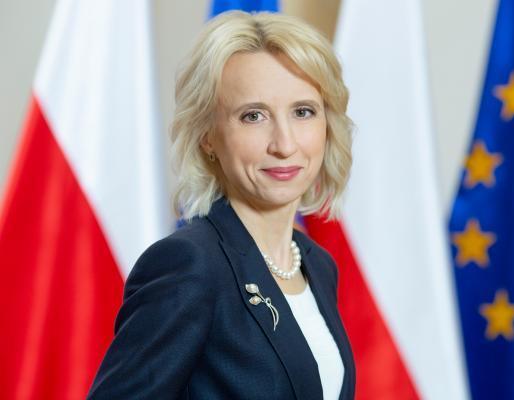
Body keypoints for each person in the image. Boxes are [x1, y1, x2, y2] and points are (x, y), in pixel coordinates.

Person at [87, 10, 355, 400]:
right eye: (253, 116)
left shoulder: (316, 264)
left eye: (303, 112)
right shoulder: (188, 264)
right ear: (208, 135)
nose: (284, 144)